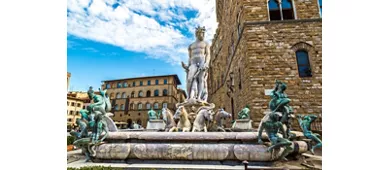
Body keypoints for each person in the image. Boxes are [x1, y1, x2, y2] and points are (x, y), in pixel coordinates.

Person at [182, 26, 211, 101]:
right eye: (202, 33)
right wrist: (187, 66)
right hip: (193, 63)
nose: (203, 35)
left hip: (202, 61)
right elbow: (190, 57)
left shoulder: (206, 44)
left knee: (201, 79)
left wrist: (206, 63)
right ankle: (188, 97)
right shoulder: (191, 46)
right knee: (189, 79)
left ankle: (199, 97)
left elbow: (208, 54)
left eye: (203, 34)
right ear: (197, 34)